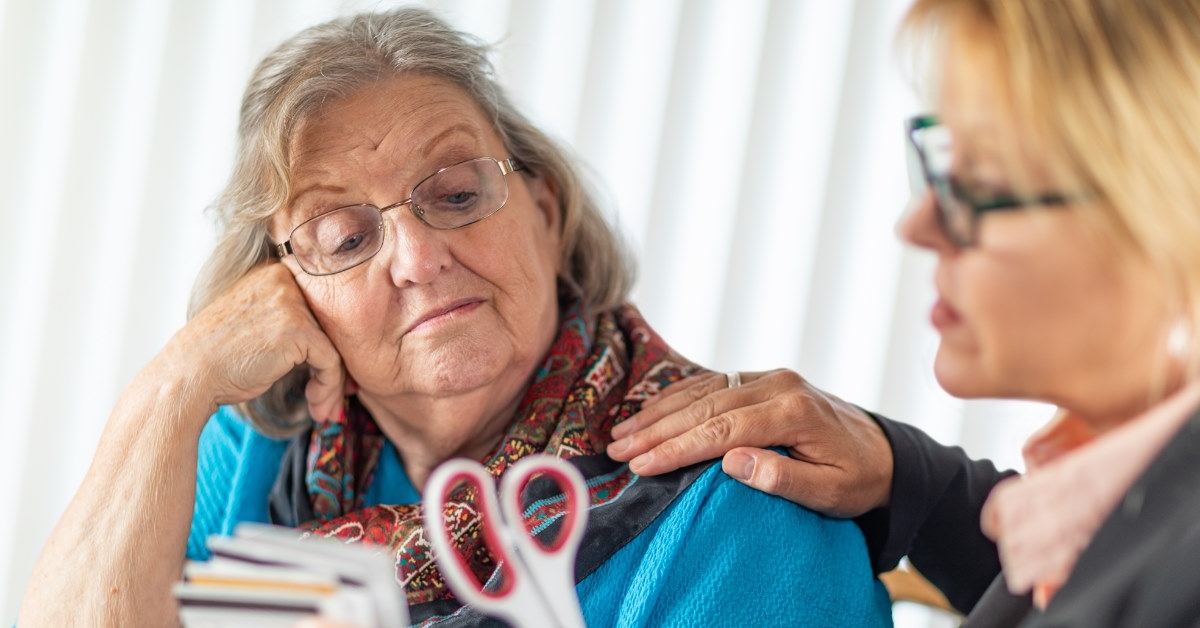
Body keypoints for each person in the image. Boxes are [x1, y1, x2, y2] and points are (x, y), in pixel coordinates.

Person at [17, 7, 893, 627]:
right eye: (344, 236)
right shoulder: (255, 453)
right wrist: (175, 383)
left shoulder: (732, 496)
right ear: (283, 293)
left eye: (458, 194)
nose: (418, 257)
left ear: (546, 214)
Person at [610, 0, 1200, 625]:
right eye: (940, 164)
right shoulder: (1118, 497)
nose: (917, 225)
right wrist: (909, 475)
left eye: (983, 183)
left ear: (1164, 219)